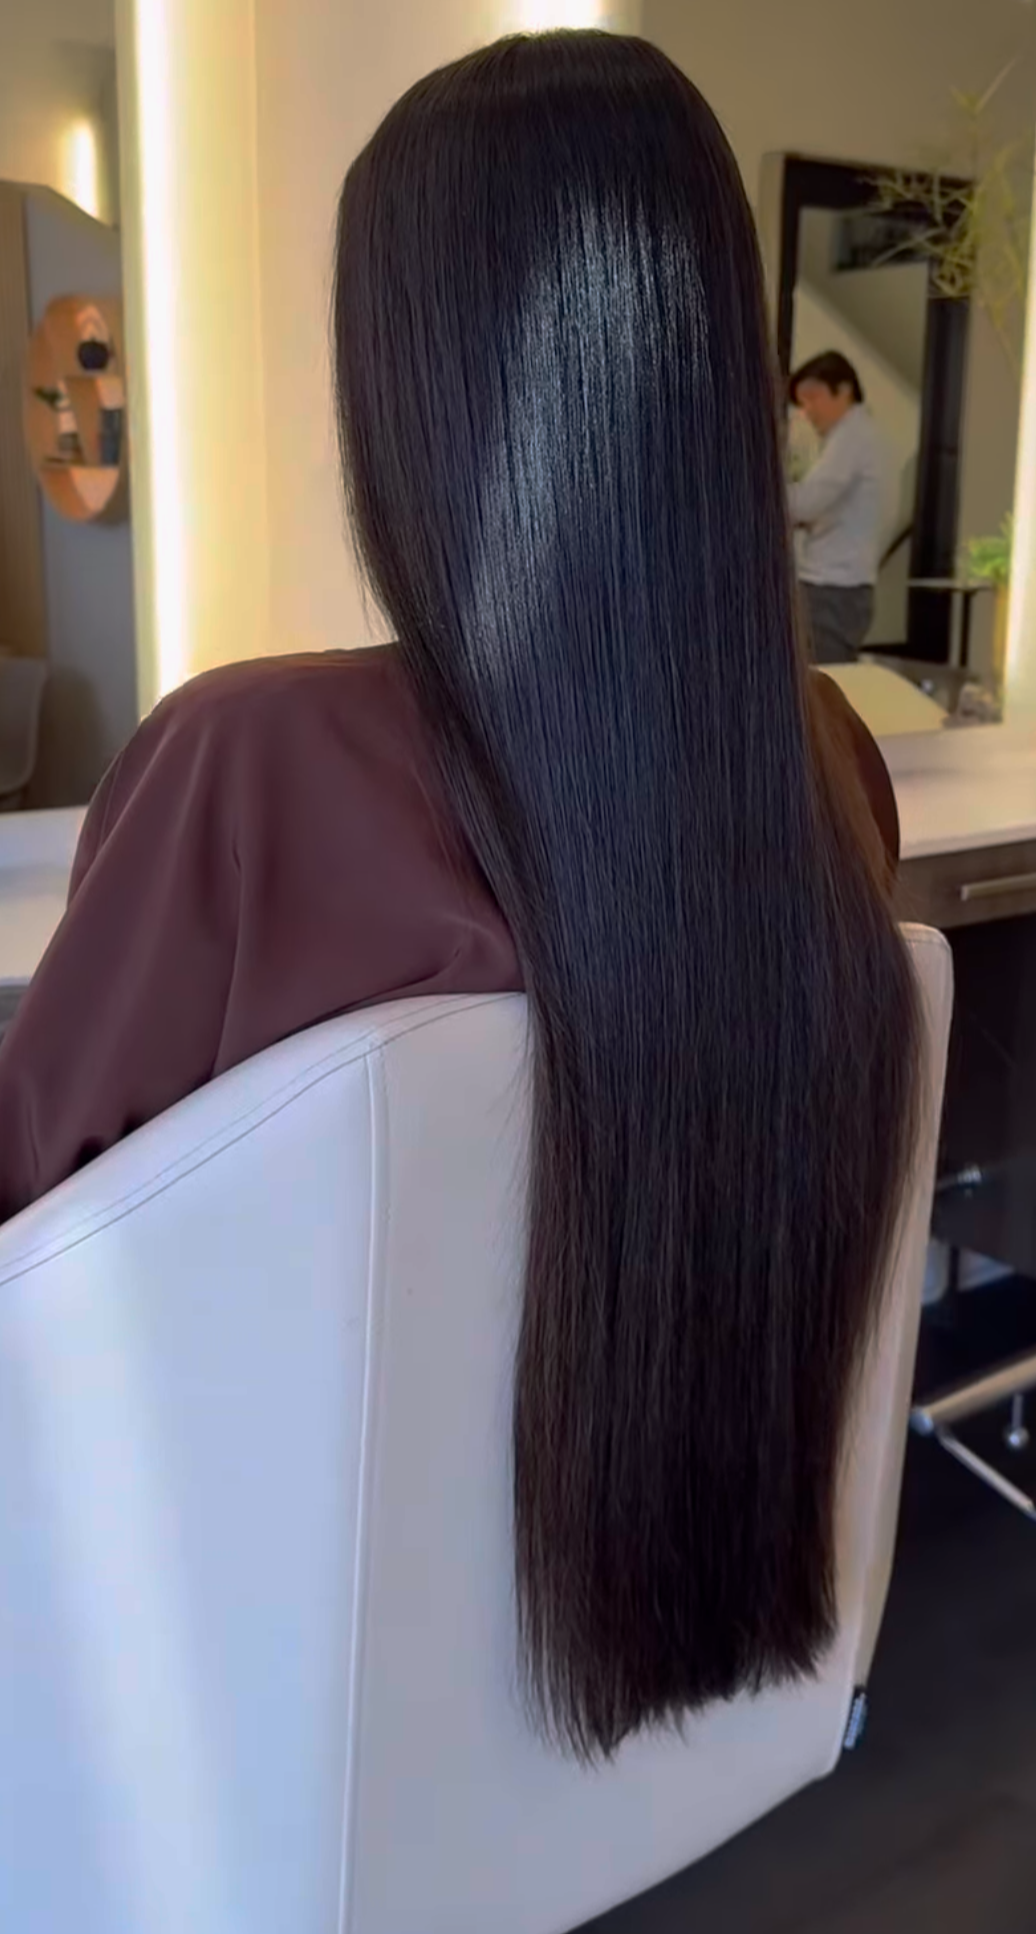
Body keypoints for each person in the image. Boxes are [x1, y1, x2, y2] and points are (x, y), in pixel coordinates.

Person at [0, 32, 919, 1758]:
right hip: (650, 1671)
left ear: (407, 384)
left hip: (249, 1696)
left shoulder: (254, 767)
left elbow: (31, 1222)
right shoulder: (824, 765)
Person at [789, 350, 897, 663]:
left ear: (845, 391)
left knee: (818, 678)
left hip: (833, 589)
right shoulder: (862, 435)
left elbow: (807, 503)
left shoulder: (853, 437)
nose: (807, 411)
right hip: (841, 586)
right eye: (802, 403)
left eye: (813, 397)